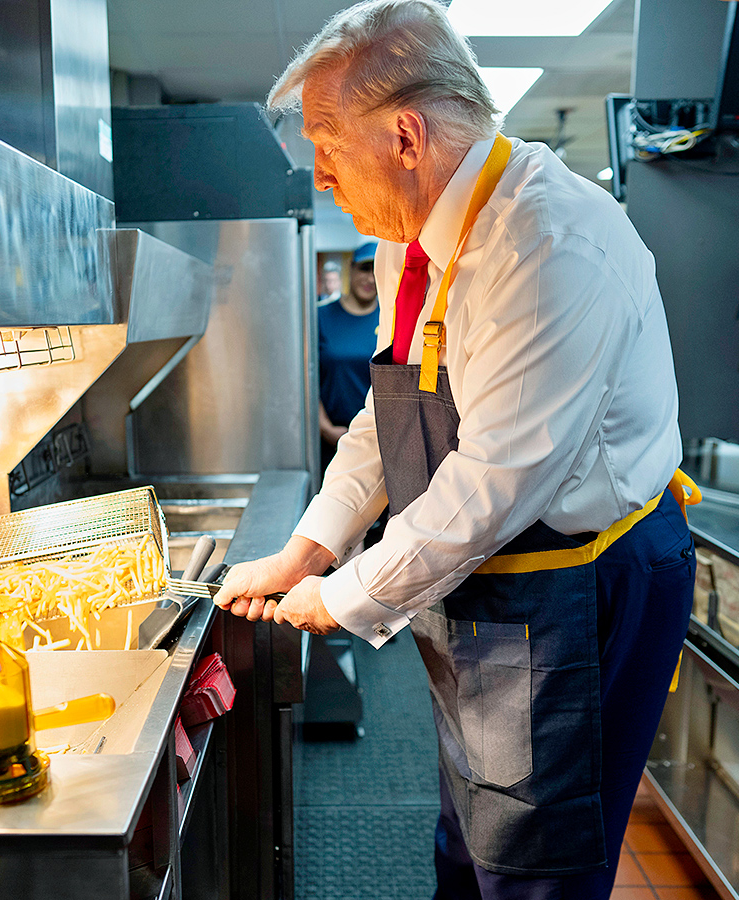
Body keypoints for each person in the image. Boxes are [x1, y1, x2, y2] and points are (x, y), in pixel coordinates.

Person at [215, 1, 697, 896]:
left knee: (533, 862)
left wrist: (344, 596)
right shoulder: (418, 236)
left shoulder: (551, 247)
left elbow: (494, 484)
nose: (319, 178)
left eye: (326, 143)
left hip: (572, 587)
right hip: (481, 576)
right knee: (472, 831)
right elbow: (385, 414)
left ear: (405, 133)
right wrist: (308, 550)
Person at [318, 240, 380, 471]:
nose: (371, 279)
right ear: (350, 270)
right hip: (332, 437)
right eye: (365, 269)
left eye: (376, 271)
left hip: (378, 439)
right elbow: (306, 379)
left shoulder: (391, 320)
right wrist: (325, 429)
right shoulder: (321, 317)